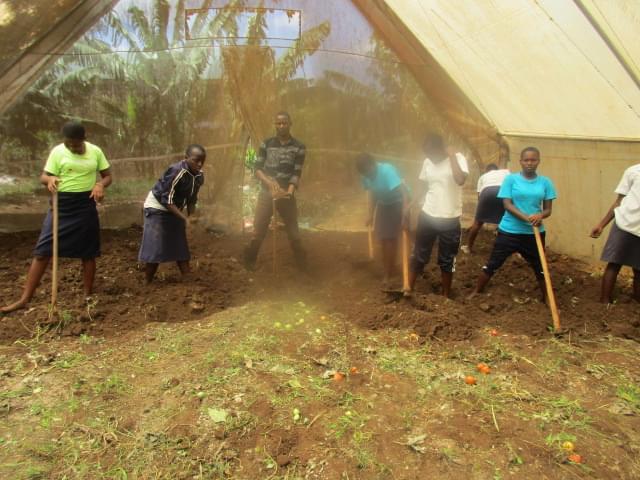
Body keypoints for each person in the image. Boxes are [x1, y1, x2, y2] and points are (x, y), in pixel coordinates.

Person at [1, 121, 112, 313]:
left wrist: (100, 185)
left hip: (85, 205)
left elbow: (108, 175)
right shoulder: (58, 152)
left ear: (83, 140)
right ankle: (25, 298)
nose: (72, 148)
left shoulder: (95, 151)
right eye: (69, 144)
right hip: (61, 206)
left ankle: (87, 295)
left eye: (76, 144)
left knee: (88, 252)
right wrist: (50, 179)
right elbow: (44, 176)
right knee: (43, 251)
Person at [469, 147, 556, 301]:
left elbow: (548, 210)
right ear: (521, 162)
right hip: (509, 231)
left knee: (540, 267)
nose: (530, 163)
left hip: (533, 233)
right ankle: (477, 291)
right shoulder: (511, 180)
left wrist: (539, 215)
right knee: (493, 263)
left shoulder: (545, 182)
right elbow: (507, 204)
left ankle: (547, 298)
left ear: (538, 161)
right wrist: (526, 217)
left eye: (533, 160)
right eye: (526, 160)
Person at [407, 134, 468, 298]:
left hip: (450, 218)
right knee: (419, 253)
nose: (429, 156)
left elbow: (460, 180)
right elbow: (423, 185)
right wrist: (412, 203)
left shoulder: (458, 158)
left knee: (447, 259)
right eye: (426, 153)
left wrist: (452, 156)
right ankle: (408, 288)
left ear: (441, 148)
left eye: (431, 152)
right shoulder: (427, 162)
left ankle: (445, 296)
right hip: (428, 214)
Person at [243, 112, 306, 270]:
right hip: (266, 193)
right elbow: (257, 169)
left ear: (290, 124)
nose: (281, 126)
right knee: (258, 230)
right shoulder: (266, 144)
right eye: (278, 123)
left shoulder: (299, 147)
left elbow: (296, 173)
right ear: (275, 125)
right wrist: (269, 183)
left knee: (293, 232)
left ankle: (303, 265)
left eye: (284, 123)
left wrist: (289, 192)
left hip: (286, 193)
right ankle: (249, 261)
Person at [138, 144, 206, 283]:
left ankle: (187, 278)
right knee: (155, 246)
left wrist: (191, 215)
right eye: (195, 160)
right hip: (157, 207)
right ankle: (147, 281)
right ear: (186, 158)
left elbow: (192, 199)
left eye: (202, 161)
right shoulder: (176, 171)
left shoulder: (199, 176)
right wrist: (184, 218)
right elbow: (166, 199)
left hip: (174, 208)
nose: (199, 164)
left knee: (180, 243)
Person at [356, 153, 410, 288]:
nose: (369, 177)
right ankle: (389, 269)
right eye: (365, 174)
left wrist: (404, 214)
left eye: (370, 173)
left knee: (391, 238)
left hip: (400, 201)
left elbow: (403, 192)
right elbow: (373, 194)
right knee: (384, 238)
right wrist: (370, 214)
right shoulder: (365, 175)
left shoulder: (387, 171)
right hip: (384, 203)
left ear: (373, 165)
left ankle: (389, 271)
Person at [590, 163, 640, 303]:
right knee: (614, 263)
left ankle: (637, 301)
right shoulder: (633, 171)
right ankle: (605, 301)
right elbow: (619, 201)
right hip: (624, 223)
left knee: (639, 268)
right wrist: (601, 225)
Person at [461, 154, 510, 254]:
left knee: (478, 223)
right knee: (507, 221)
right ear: (496, 169)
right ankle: (511, 249)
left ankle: (468, 248)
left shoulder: (483, 176)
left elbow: (480, 196)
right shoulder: (505, 172)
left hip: (487, 192)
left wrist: (481, 215)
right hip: (503, 193)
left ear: (487, 171)